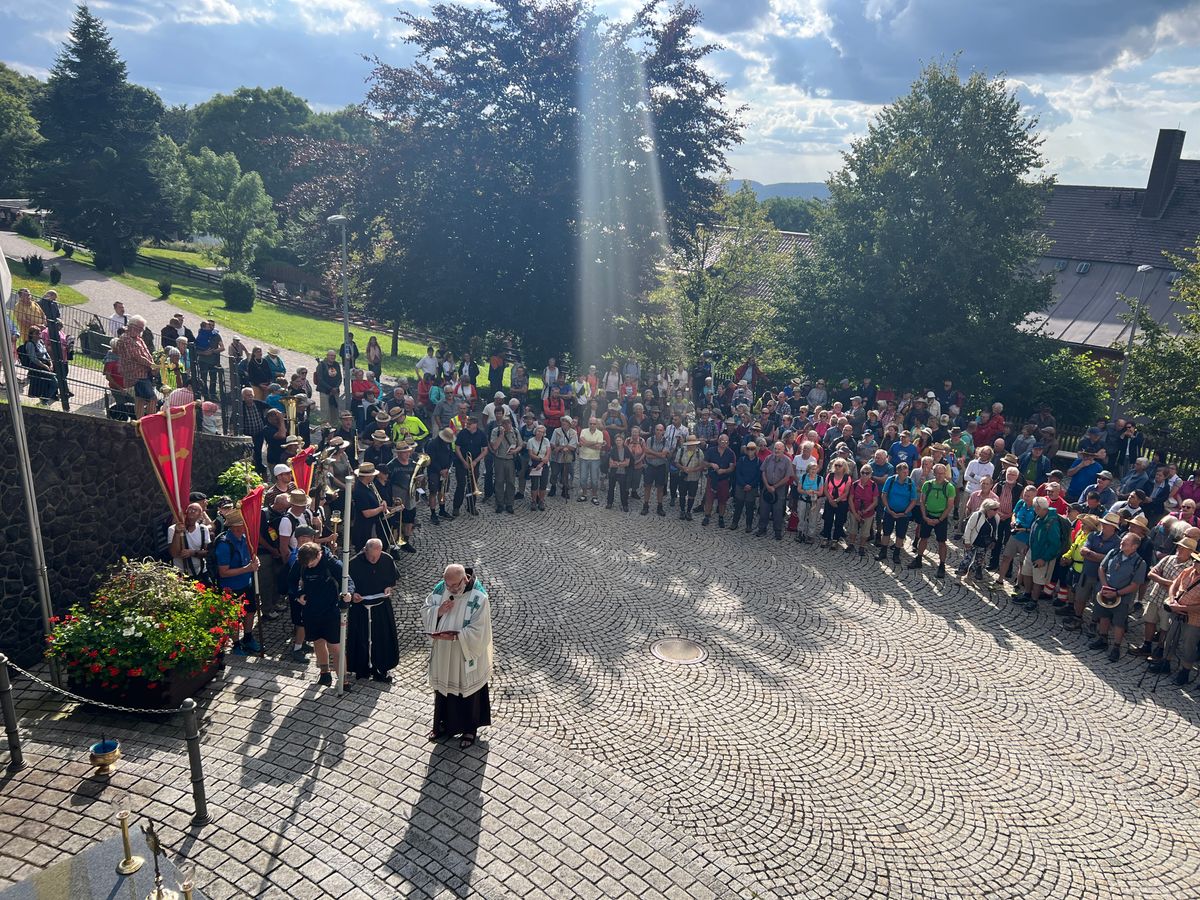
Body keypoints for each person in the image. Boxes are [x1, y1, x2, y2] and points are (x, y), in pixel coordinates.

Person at [422, 563, 493, 748]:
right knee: (443, 690)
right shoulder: (441, 588)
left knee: (468, 690)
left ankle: (470, 729)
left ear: (465, 579)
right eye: (448, 585)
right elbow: (426, 608)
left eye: (455, 585)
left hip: (465, 652)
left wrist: (456, 636)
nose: (451, 589)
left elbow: (480, 629)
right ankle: (441, 726)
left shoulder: (479, 596)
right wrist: (438, 612)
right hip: (444, 652)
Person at [294, 542, 351, 689]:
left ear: (318, 555)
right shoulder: (302, 562)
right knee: (318, 642)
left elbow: (347, 580)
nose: (309, 567)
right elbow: (292, 582)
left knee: (335, 646)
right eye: (307, 565)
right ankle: (325, 674)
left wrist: (348, 594)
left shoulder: (331, 563)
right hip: (311, 611)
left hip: (331, 611)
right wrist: (299, 594)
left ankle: (343, 680)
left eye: (312, 564)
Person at [346, 539, 401, 683]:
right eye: (371, 557)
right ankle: (361, 668)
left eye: (377, 557)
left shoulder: (387, 559)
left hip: (380, 606)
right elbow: (346, 586)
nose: (374, 560)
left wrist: (389, 588)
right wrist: (353, 595)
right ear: (365, 550)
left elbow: (392, 581)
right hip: (360, 608)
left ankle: (381, 668)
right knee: (361, 637)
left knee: (381, 638)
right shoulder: (353, 563)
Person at [1090, 532, 1149, 662]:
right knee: (1104, 616)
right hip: (1105, 592)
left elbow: (1135, 585)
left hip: (1122, 598)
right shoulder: (1113, 553)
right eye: (1122, 541)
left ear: (1134, 546)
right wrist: (1105, 586)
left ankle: (1116, 647)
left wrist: (1116, 593)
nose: (1121, 543)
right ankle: (1102, 639)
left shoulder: (1140, 563)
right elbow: (1102, 568)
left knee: (1119, 623)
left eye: (1125, 542)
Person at [212, 509, 262, 655]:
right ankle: (236, 644)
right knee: (233, 617)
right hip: (231, 587)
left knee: (251, 611)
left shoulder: (246, 538)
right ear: (233, 527)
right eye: (241, 525)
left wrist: (255, 560)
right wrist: (248, 569)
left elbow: (251, 556)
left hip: (247, 583)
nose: (244, 527)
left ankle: (248, 638)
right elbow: (224, 572)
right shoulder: (224, 544)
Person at [907, 463, 956, 578]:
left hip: (940, 518)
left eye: (942, 473)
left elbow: (949, 506)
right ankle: (918, 559)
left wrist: (939, 520)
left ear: (945, 474)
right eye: (937, 473)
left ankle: (942, 565)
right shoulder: (927, 485)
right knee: (923, 538)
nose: (940, 476)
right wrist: (925, 517)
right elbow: (922, 502)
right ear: (933, 473)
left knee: (942, 542)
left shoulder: (949, 487)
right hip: (928, 515)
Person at [111, 315, 157, 417]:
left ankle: (139, 422)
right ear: (131, 326)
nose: (141, 331)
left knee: (139, 399)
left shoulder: (138, 338)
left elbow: (147, 353)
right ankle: (150, 422)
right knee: (152, 399)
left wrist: (152, 365)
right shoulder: (126, 339)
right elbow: (137, 357)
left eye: (142, 329)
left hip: (144, 373)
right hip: (137, 375)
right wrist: (152, 366)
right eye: (139, 328)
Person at [877, 462, 916, 562]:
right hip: (889, 511)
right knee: (886, 532)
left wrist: (905, 512)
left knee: (900, 534)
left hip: (904, 514)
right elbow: (884, 494)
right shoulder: (891, 480)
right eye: (903, 472)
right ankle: (883, 552)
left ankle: (896, 554)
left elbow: (913, 500)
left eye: (907, 472)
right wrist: (888, 509)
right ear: (897, 472)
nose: (906, 474)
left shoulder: (911, 483)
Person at [959, 498, 1001, 583]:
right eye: (995, 509)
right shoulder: (976, 515)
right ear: (988, 509)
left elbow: (995, 530)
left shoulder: (996, 518)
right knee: (966, 560)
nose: (997, 511)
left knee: (978, 562)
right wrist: (966, 541)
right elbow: (969, 528)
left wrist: (994, 540)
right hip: (972, 541)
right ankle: (958, 577)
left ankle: (968, 577)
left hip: (984, 544)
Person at [168, 502, 212, 582]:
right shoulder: (173, 529)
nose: (191, 511)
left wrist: (193, 553)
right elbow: (174, 553)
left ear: (200, 514)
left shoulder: (203, 529)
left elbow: (208, 552)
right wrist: (177, 533)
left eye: (195, 510)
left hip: (200, 572)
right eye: (190, 509)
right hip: (180, 574)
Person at [18, 325, 58, 405]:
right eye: (37, 333)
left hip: (46, 365)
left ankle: (44, 400)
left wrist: (50, 363)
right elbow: (33, 358)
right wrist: (44, 366)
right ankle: (44, 401)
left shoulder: (41, 342)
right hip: (38, 367)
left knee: (51, 384)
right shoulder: (30, 344)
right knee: (55, 383)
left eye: (39, 333)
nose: (39, 335)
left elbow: (46, 354)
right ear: (31, 334)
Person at [702, 433, 735, 527]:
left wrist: (724, 470)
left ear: (728, 443)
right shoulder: (711, 450)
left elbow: (732, 467)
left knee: (722, 500)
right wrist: (711, 464)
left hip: (724, 480)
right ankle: (707, 516)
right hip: (712, 478)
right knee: (709, 498)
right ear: (718, 441)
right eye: (722, 441)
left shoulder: (730, 453)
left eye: (726, 441)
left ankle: (721, 517)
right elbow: (704, 462)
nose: (724, 443)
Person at [490, 414, 520, 513]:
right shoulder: (496, 431)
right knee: (499, 481)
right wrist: (501, 435)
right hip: (499, 459)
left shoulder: (515, 431)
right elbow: (494, 447)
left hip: (511, 460)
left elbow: (520, 445)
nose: (507, 425)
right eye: (504, 423)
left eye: (508, 423)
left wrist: (515, 451)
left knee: (511, 482)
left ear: (511, 423)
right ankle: (499, 504)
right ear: (501, 424)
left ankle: (509, 504)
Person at [577, 416, 606, 506]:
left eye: (594, 424)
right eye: (591, 423)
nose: (592, 425)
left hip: (595, 459)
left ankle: (594, 495)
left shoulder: (600, 433)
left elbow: (599, 447)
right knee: (583, 479)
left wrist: (586, 443)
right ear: (588, 423)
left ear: (596, 424)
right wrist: (594, 442)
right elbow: (582, 442)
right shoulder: (583, 431)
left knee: (594, 480)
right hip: (583, 458)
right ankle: (584, 494)